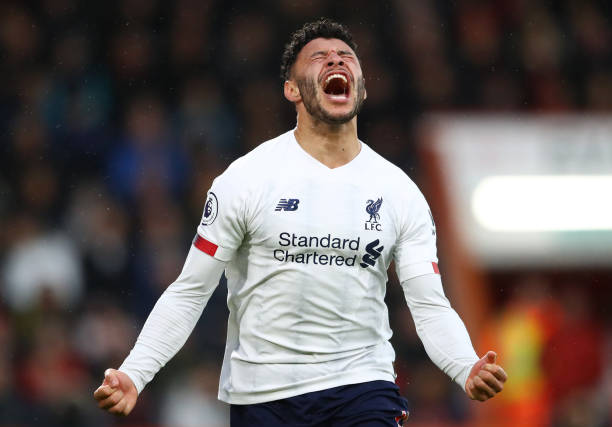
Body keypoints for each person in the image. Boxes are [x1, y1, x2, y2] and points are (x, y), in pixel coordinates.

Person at [94, 18, 507, 426]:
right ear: (292, 89)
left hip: (362, 388)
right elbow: (190, 292)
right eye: (319, 58)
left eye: (346, 57)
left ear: (361, 86)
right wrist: (135, 372)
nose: (335, 62)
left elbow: (429, 304)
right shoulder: (246, 179)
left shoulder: (399, 192)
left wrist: (464, 365)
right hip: (264, 395)